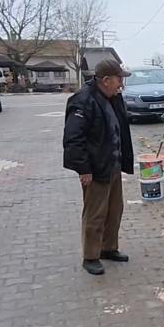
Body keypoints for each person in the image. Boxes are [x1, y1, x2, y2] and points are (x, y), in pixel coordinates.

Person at [63, 59, 134, 275]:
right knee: (95, 213)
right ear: (106, 80)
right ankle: (91, 256)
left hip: (111, 164)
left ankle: (108, 248)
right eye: (118, 79)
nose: (121, 84)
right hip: (94, 169)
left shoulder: (111, 97)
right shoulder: (83, 101)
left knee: (115, 210)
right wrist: (83, 169)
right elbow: (73, 139)